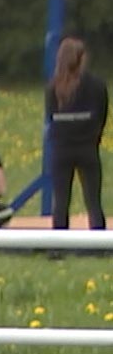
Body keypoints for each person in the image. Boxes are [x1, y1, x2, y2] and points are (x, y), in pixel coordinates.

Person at [47, 36, 108, 232]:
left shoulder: (53, 88)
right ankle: (98, 241)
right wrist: (92, 138)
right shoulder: (97, 85)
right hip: (87, 148)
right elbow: (102, 115)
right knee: (93, 200)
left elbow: (51, 118)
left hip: (61, 149)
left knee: (61, 200)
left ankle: (57, 244)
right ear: (81, 59)